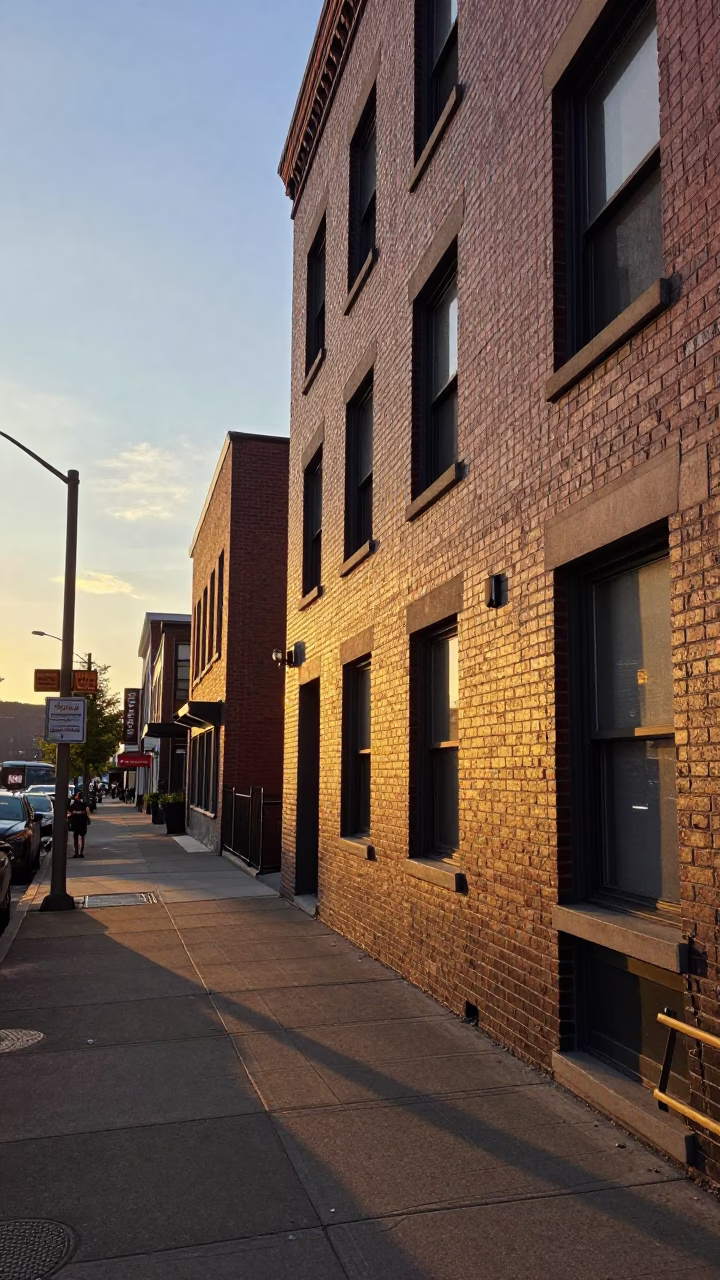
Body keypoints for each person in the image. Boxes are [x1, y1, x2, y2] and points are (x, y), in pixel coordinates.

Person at [67, 790, 91, 858]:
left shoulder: (73, 805)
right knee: (82, 837)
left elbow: (70, 814)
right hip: (82, 822)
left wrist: (71, 815)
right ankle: (81, 852)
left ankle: (76, 852)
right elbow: (87, 812)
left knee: (76, 837)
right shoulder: (84, 804)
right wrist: (88, 819)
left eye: (76, 795)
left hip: (76, 822)